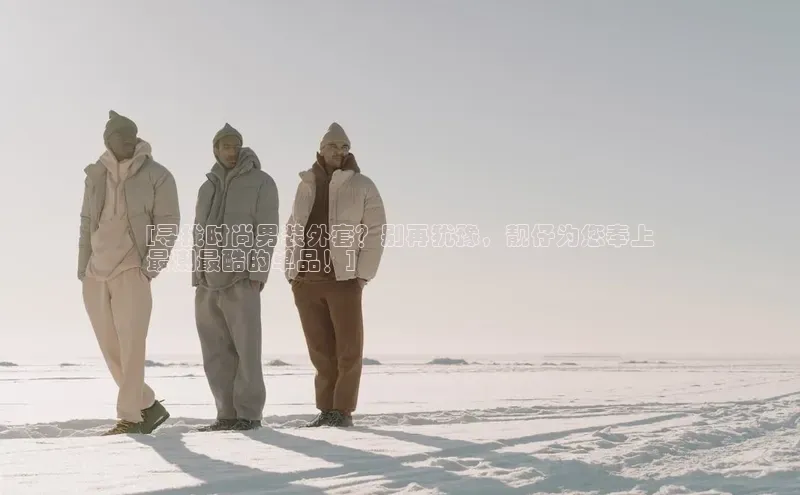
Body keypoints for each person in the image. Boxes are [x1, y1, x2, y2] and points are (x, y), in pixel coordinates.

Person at [78, 110, 180, 435]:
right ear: (108, 140)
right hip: (95, 272)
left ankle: (131, 417)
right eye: (121, 134)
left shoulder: (158, 175)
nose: (129, 139)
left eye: (132, 133)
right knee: (111, 348)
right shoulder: (95, 175)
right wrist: (82, 267)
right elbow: (86, 221)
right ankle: (147, 404)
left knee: (132, 346)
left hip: (132, 268)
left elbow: (169, 222)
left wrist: (150, 267)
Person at [285, 122, 387, 427]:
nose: (339, 152)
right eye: (333, 146)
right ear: (321, 149)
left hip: (343, 280)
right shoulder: (306, 184)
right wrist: (291, 272)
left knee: (348, 350)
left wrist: (362, 275)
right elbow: (292, 228)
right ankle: (325, 409)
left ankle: (341, 411)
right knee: (320, 351)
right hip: (305, 281)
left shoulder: (363, 184)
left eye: (344, 147)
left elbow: (376, 231)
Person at [192, 123, 279, 431]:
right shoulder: (207, 186)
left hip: (242, 277)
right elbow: (198, 232)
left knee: (247, 350)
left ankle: (249, 415)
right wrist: (197, 273)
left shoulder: (262, 182)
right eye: (225, 146)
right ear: (215, 149)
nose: (231, 151)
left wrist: (258, 271)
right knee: (215, 352)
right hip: (207, 281)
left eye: (235, 146)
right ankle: (226, 415)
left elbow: (267, 229)